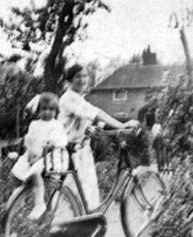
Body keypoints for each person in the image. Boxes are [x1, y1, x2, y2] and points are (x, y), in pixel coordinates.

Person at [59, 63, 140, 213]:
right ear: (70, 80)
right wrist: (121, 125)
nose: (82, 80)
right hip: (72, 151)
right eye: (78, 77)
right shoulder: (70, 98)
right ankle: (67, 225)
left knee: (85, 194)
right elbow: (96, 113)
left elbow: (93, 119)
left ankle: (84, 224)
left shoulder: (78, 98)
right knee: (75, 194)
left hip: (81, 150)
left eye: (85, 76)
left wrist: (102, 128)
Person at [11, 92, 68, 220]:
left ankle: (39, 203)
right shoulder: (34, 124)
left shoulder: (56, 125)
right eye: (44, 109)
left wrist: (38, 157)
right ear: (39, 110)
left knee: (36, 172)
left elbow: (52, 144)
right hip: (34, 154)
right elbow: (29, 140)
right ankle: (19, 198)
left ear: (56, 111)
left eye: (51, 109)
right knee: (16, 171)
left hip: (49, 156)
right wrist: (30, 153)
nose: (47, 112)